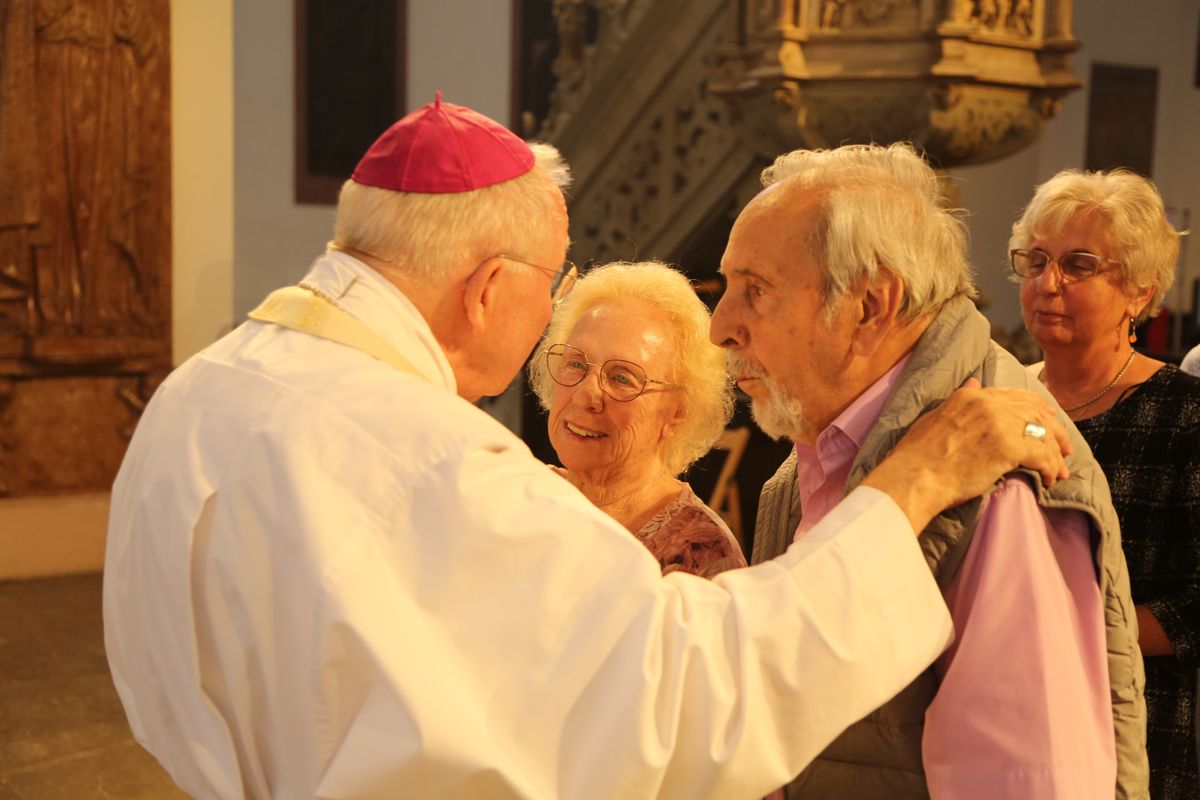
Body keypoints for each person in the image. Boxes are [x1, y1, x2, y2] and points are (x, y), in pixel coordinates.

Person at [104, 95, 1075, 799]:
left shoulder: (196, 392)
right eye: (554, 280)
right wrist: (915, 481)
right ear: (488, 288)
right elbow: (695, 689)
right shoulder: (434, 462)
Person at [717, 143, 1146, 799]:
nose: (720, 326)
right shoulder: (802, 467)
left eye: (755, 290)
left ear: (868, 305)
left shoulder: (999, 479)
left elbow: (1029, 783)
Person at [1011, 167, 1198, 800]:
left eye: (1078, 264)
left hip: (1138, 732)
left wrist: (1080, 635)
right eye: (1035, 260)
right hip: (1009, 718)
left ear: (1140, 292)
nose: (1046, 282)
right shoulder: (997, 400)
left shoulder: (1185, 414)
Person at [528, 260, 744, 578]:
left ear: (677, 412)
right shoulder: (519, 496)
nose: (585, 395)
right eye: (575, 363)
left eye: (623, 379)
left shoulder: (699, 555)